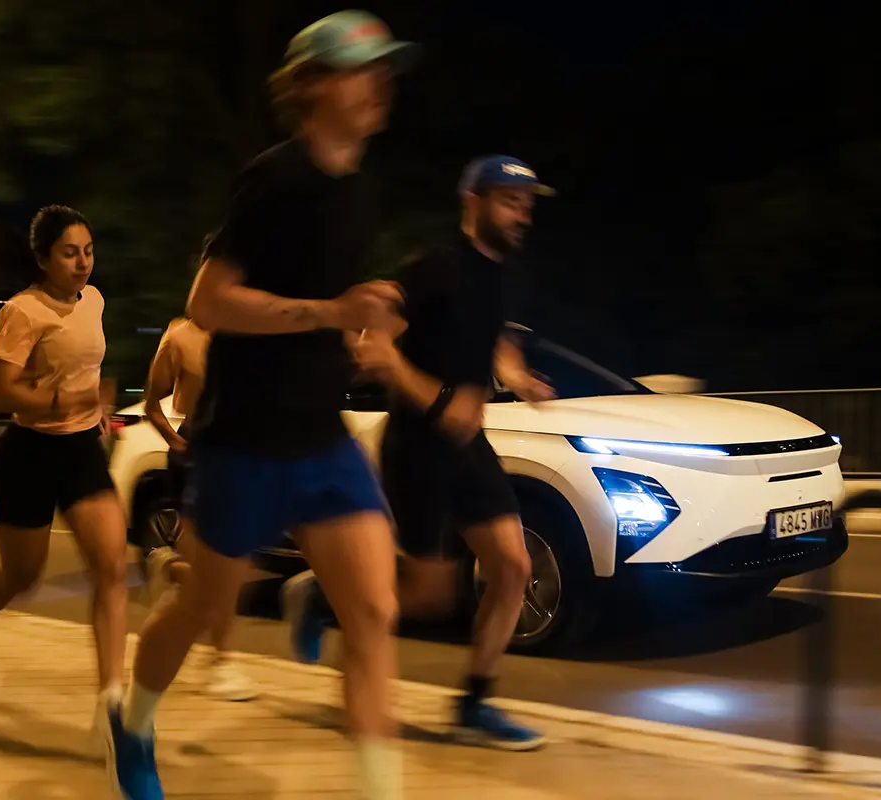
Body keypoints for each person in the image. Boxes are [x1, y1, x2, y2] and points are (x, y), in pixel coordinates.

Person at [107, 10, 419, 800]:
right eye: (362, 69)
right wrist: (327, 311)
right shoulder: (274, 177)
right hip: (242, 441)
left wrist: (368, 324)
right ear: (312, 84)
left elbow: (333, 306)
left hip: (323, 438)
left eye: (387, 68)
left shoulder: (361, 190)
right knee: (201, 605)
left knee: (376, 613)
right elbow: (208, 301)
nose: (381, 82)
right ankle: (134, 720)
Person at [288, 156, 558, 751]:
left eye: (527, 205)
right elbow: (373, 341)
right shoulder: (434, 266)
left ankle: (473, 705)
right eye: (510, 201)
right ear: (474, 202)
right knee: (429, 596)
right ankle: (322, 598)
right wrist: (438, 401)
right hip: (417, 444)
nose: (522, 214)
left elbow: (500, 343)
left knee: (513, 567)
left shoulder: (509, 272)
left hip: (468, 443)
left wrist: (518, 376)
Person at [0, 206, 130, 755]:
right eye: (69, 252)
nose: (82, 262)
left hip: (80, 450)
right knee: (21, 578)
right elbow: (1, 394)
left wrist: (95, 410)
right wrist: (66, 398)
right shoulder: (22, 312)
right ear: (42, 258)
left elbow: (81, 369)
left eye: (88, 250)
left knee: (110, 568)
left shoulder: (96, 299)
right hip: (27, 455)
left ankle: (112, 703)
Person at [141, 312, 258, 702]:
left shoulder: (249, 327)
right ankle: (222, 660)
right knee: (211, 565)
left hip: (243, 448)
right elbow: (152, 402)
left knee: (230, 561)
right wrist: (177, 443)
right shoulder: (180, 335)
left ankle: (165, 562)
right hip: (199, 449)